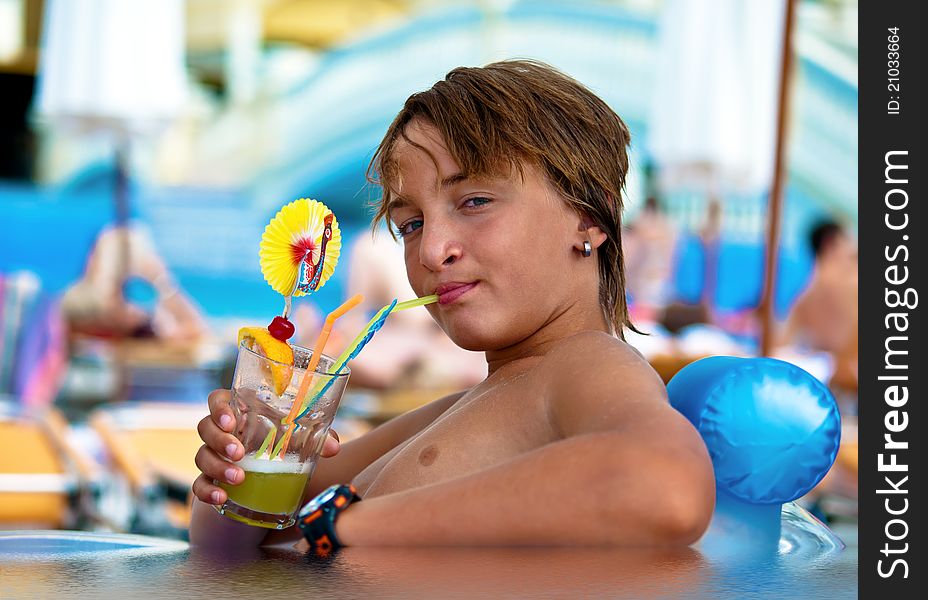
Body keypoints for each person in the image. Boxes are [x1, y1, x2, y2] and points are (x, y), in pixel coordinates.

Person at [190, 60, 715, 549]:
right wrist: (235, 468)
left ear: (589, 219)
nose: (434, 251)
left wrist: (343, 528)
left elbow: (668, 486)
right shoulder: (463, 408)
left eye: (475, 202)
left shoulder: (583, 365)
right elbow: (232, 549)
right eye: (412, 224)